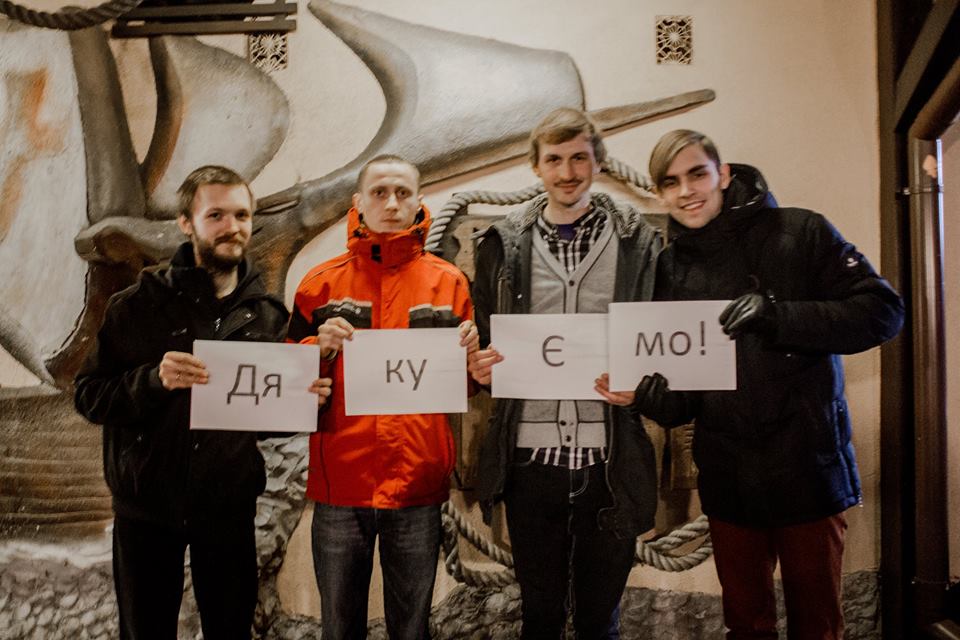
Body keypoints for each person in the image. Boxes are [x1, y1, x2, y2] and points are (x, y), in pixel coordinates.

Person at [630, 130, 905, 639]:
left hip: (808, 468)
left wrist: (780, 316)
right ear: (659, 193)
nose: (686, 191)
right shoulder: (671, 266)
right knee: (746, 626)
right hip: (729, 479)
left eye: (697, 173)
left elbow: (883, 312)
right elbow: (684, 391)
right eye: (670, 182)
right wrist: (656, 402)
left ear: (722, 174)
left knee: (818, 626)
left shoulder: (801, 231)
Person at [74, 165, 331, 640]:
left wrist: (302, 403)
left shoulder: (268, 315)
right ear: (186, 223)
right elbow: (89, 396)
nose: (232, 227)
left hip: (228, 509)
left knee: (230, 631)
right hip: (146, 510)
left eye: (241, 215)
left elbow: (260, 419)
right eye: (216, 215)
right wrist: (153, 380)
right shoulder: (136, 305)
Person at [468, 107, 661, 638]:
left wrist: (643, 382)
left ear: (598, 162)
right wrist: (481, 367)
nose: (567, 172)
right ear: (536, 167)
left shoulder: (637, 243)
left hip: (609, 459)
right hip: (530, 461)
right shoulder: (501, 245)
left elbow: (659, 340)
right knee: (541, 616)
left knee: (600, 621)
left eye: (579, 158)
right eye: (554, 159)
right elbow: (485, 338)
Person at [287, 154, 478, 639]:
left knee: (411, 630)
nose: (391, 203)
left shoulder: (450, 283)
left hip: (417, 485)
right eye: (379, 192)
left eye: (402, 193)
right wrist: (315, 350)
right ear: (359, 201)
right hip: (341, 485)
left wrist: (473, 363)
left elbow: (464, 387)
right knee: (338, 628)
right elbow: (285, 385)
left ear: (418, 201)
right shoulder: (319, 283)